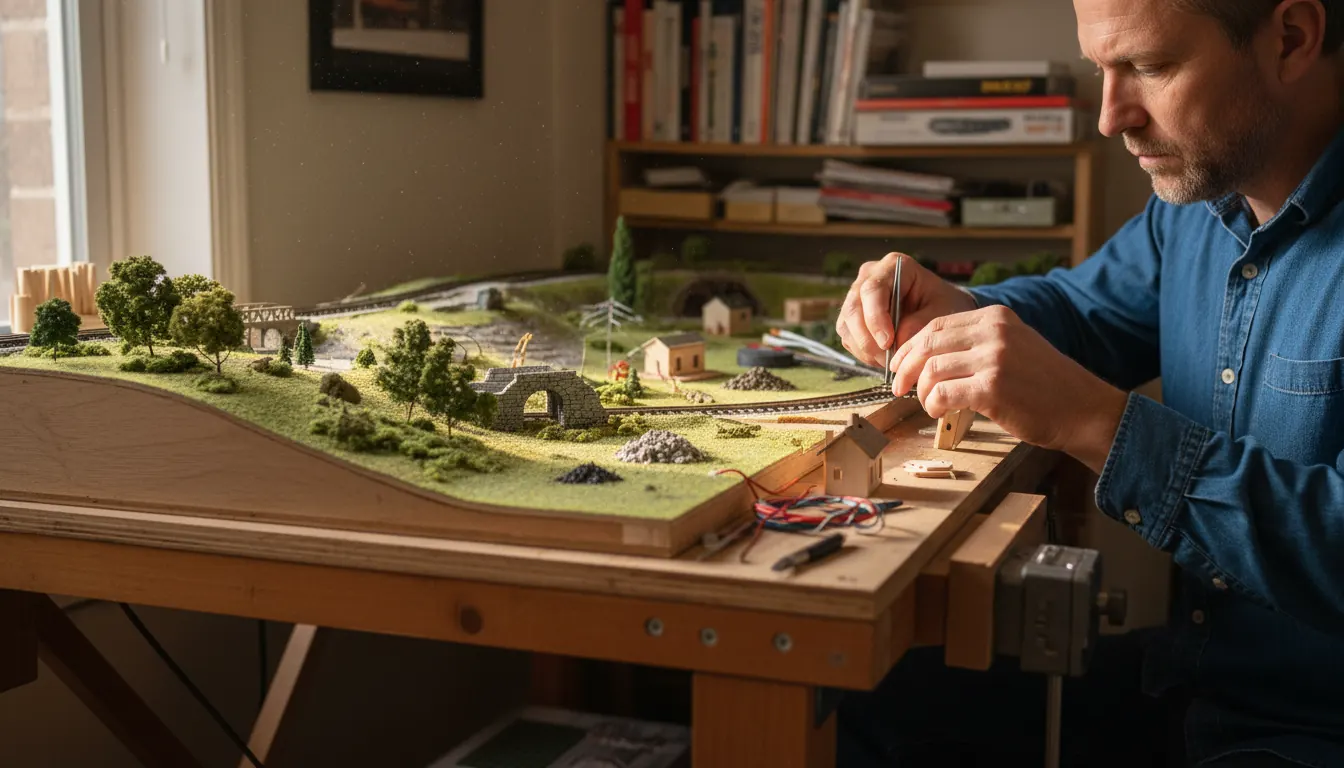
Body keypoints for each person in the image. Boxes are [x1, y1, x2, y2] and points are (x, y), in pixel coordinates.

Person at [833, 0, 1344, 766]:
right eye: (1100, 69)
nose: (1111, 117)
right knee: (865, 701)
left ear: (1292, 38)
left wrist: (1097, 424)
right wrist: (960, 311)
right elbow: (1085, 308)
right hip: (1191, 681)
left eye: (1148, 67)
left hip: (1312, 730)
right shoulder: (1202, 202)